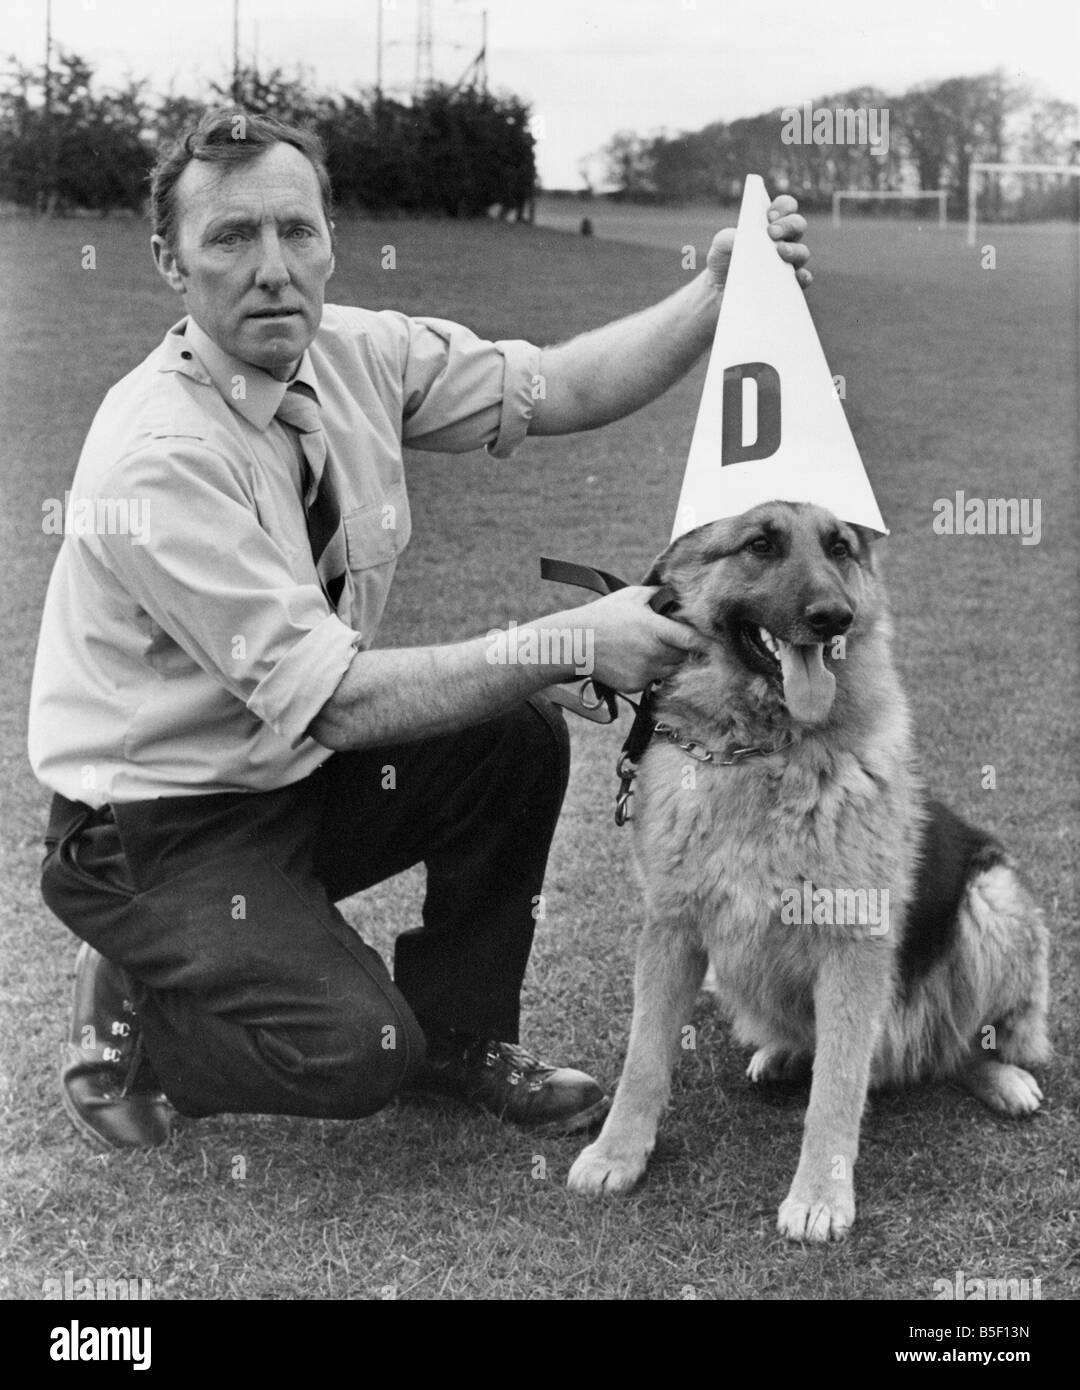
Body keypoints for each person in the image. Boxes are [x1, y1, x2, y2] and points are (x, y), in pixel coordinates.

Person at [28, 109, 810, 1150]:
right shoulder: (158, 456)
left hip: (287, 776)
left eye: (296, 232)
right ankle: (139, 1009)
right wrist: (569, 638)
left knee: (512, 737)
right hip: (154, 827)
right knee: (355, 1054)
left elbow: (567, 385)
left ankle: (461, 1033)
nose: (273, 268)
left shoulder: (358, 353)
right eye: (231, 238)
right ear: (170, 261)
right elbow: (341, 701)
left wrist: (715, 295)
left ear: (330, 241)